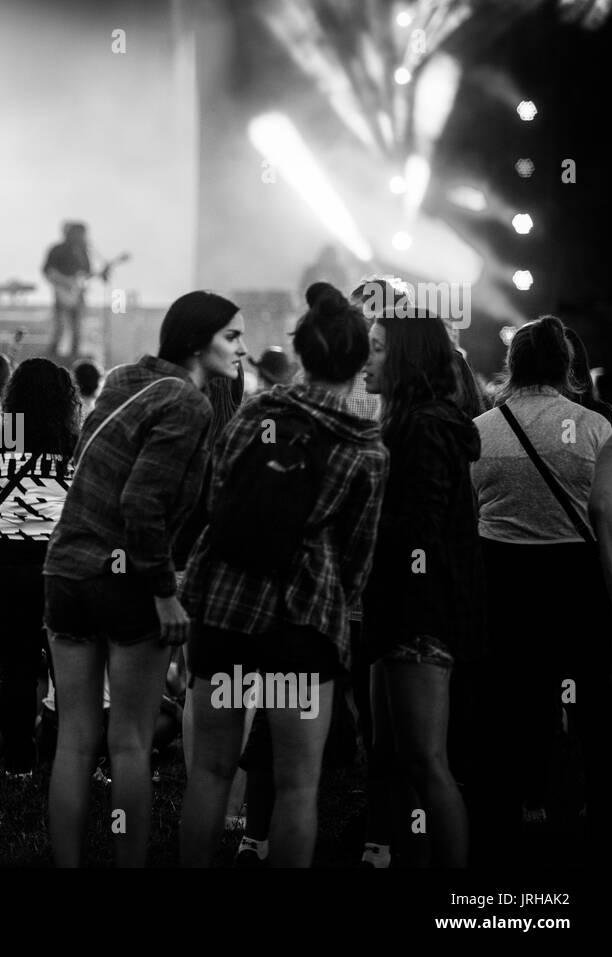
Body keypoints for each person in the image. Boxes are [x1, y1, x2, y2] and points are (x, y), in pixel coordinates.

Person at [178, 283, 388, 868]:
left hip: (223, 613)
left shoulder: (256, 414)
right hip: (303, 628)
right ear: (357, 360)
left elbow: (216, 497)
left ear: (302, 353)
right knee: (298, 785)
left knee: (212, 773)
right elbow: (357, 559)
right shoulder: (367, 448)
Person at [42, 290, 245, 867]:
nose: (242, 348)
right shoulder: (189, 404)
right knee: (128, 742)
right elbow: (141, 505)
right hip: (126, 578)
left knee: (75, 739)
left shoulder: (120, 379)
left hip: (66, 570)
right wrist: (165, 595)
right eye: (231, 336)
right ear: (196, 340)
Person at [471, 316, 612, 861]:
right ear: (566, 364)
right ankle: (591, 817)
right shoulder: (596, 427)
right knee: (591, 705)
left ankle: (507, 821)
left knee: (509, 703)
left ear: (513, 365)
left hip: (502, 583)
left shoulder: (482, 428)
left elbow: (467, 515)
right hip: (577, 585)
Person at [360, 304, 484, 868]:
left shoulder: (425, 425)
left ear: (406, 358)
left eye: (379, 346)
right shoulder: (408, 421)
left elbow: (421, 525)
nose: (367, 356)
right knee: (394, 757)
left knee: (427, 762)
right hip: (397, 611)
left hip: (419, 613)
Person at [0, 357, 79, 777]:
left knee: (15, 665)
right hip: (61, 567)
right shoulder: (76, 444)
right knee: (68, 667)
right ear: (65, 400)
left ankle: (18, 765)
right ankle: (71, 759)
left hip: (6, 565)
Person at [42, 222, 105, 359]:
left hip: (78, 294)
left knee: (77, 328)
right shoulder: (57, 249)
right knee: (60, 327)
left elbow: (87, 273)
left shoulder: (83, 251)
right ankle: (52, 356)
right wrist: (64, 282)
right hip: (62, 293)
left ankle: (74, 356)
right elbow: (47, 270)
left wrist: (101, 273)